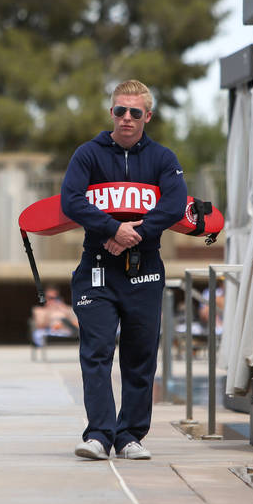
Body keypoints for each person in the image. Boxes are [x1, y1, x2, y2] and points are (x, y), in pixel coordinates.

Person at [61, 79, 187, 461]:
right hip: (97, 269)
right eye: (120, 110)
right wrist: (112, 229)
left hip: (144, 269)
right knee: (96, 352)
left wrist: (134, 235)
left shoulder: (163, 159)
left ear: (147, 115)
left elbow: (174, 204)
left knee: (140, 355)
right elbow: (71, 200)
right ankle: (98, 435)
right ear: (111, 112)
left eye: (135, 112)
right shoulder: (88, 155)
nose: (127, 118)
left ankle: (130, 435)